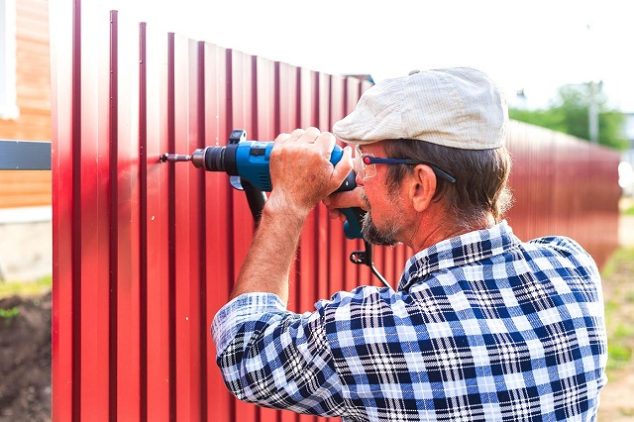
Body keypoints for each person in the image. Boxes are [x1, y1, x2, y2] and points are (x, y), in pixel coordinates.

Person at [211, 67, 607, 421]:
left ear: (421, 185)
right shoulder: (571, 267)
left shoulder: (375, 334)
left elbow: (247, 353)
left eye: (368, 162)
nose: (359, 176)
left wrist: (288, 202)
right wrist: (389, 201)